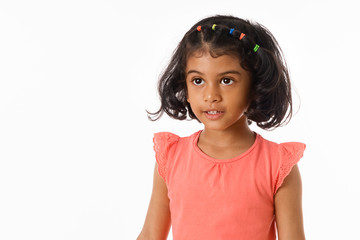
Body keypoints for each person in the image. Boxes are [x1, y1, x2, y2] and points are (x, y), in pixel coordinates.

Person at [137, 15, 306, 240]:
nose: (210, 96)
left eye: (226, 80)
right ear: (184, 86)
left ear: (256, 86)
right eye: (198, 81)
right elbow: (150, 235)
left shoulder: (278, 167)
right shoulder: (171, 157)